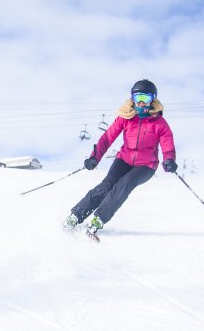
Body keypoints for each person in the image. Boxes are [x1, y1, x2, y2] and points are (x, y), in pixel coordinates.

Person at [63, 79, 177, 238]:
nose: (142, 103)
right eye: (138, 98)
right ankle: (76, 215)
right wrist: (94, 157)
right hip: (124, 159)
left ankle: (98, 219)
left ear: (153, 100)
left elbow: (167, 142)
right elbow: (107, 138)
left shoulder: (159, 123)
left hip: (146, 165)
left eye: (146, 98)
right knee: (107, 185)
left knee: (124, 184)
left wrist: (169, 159)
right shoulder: (125, 117)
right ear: (132, 99)